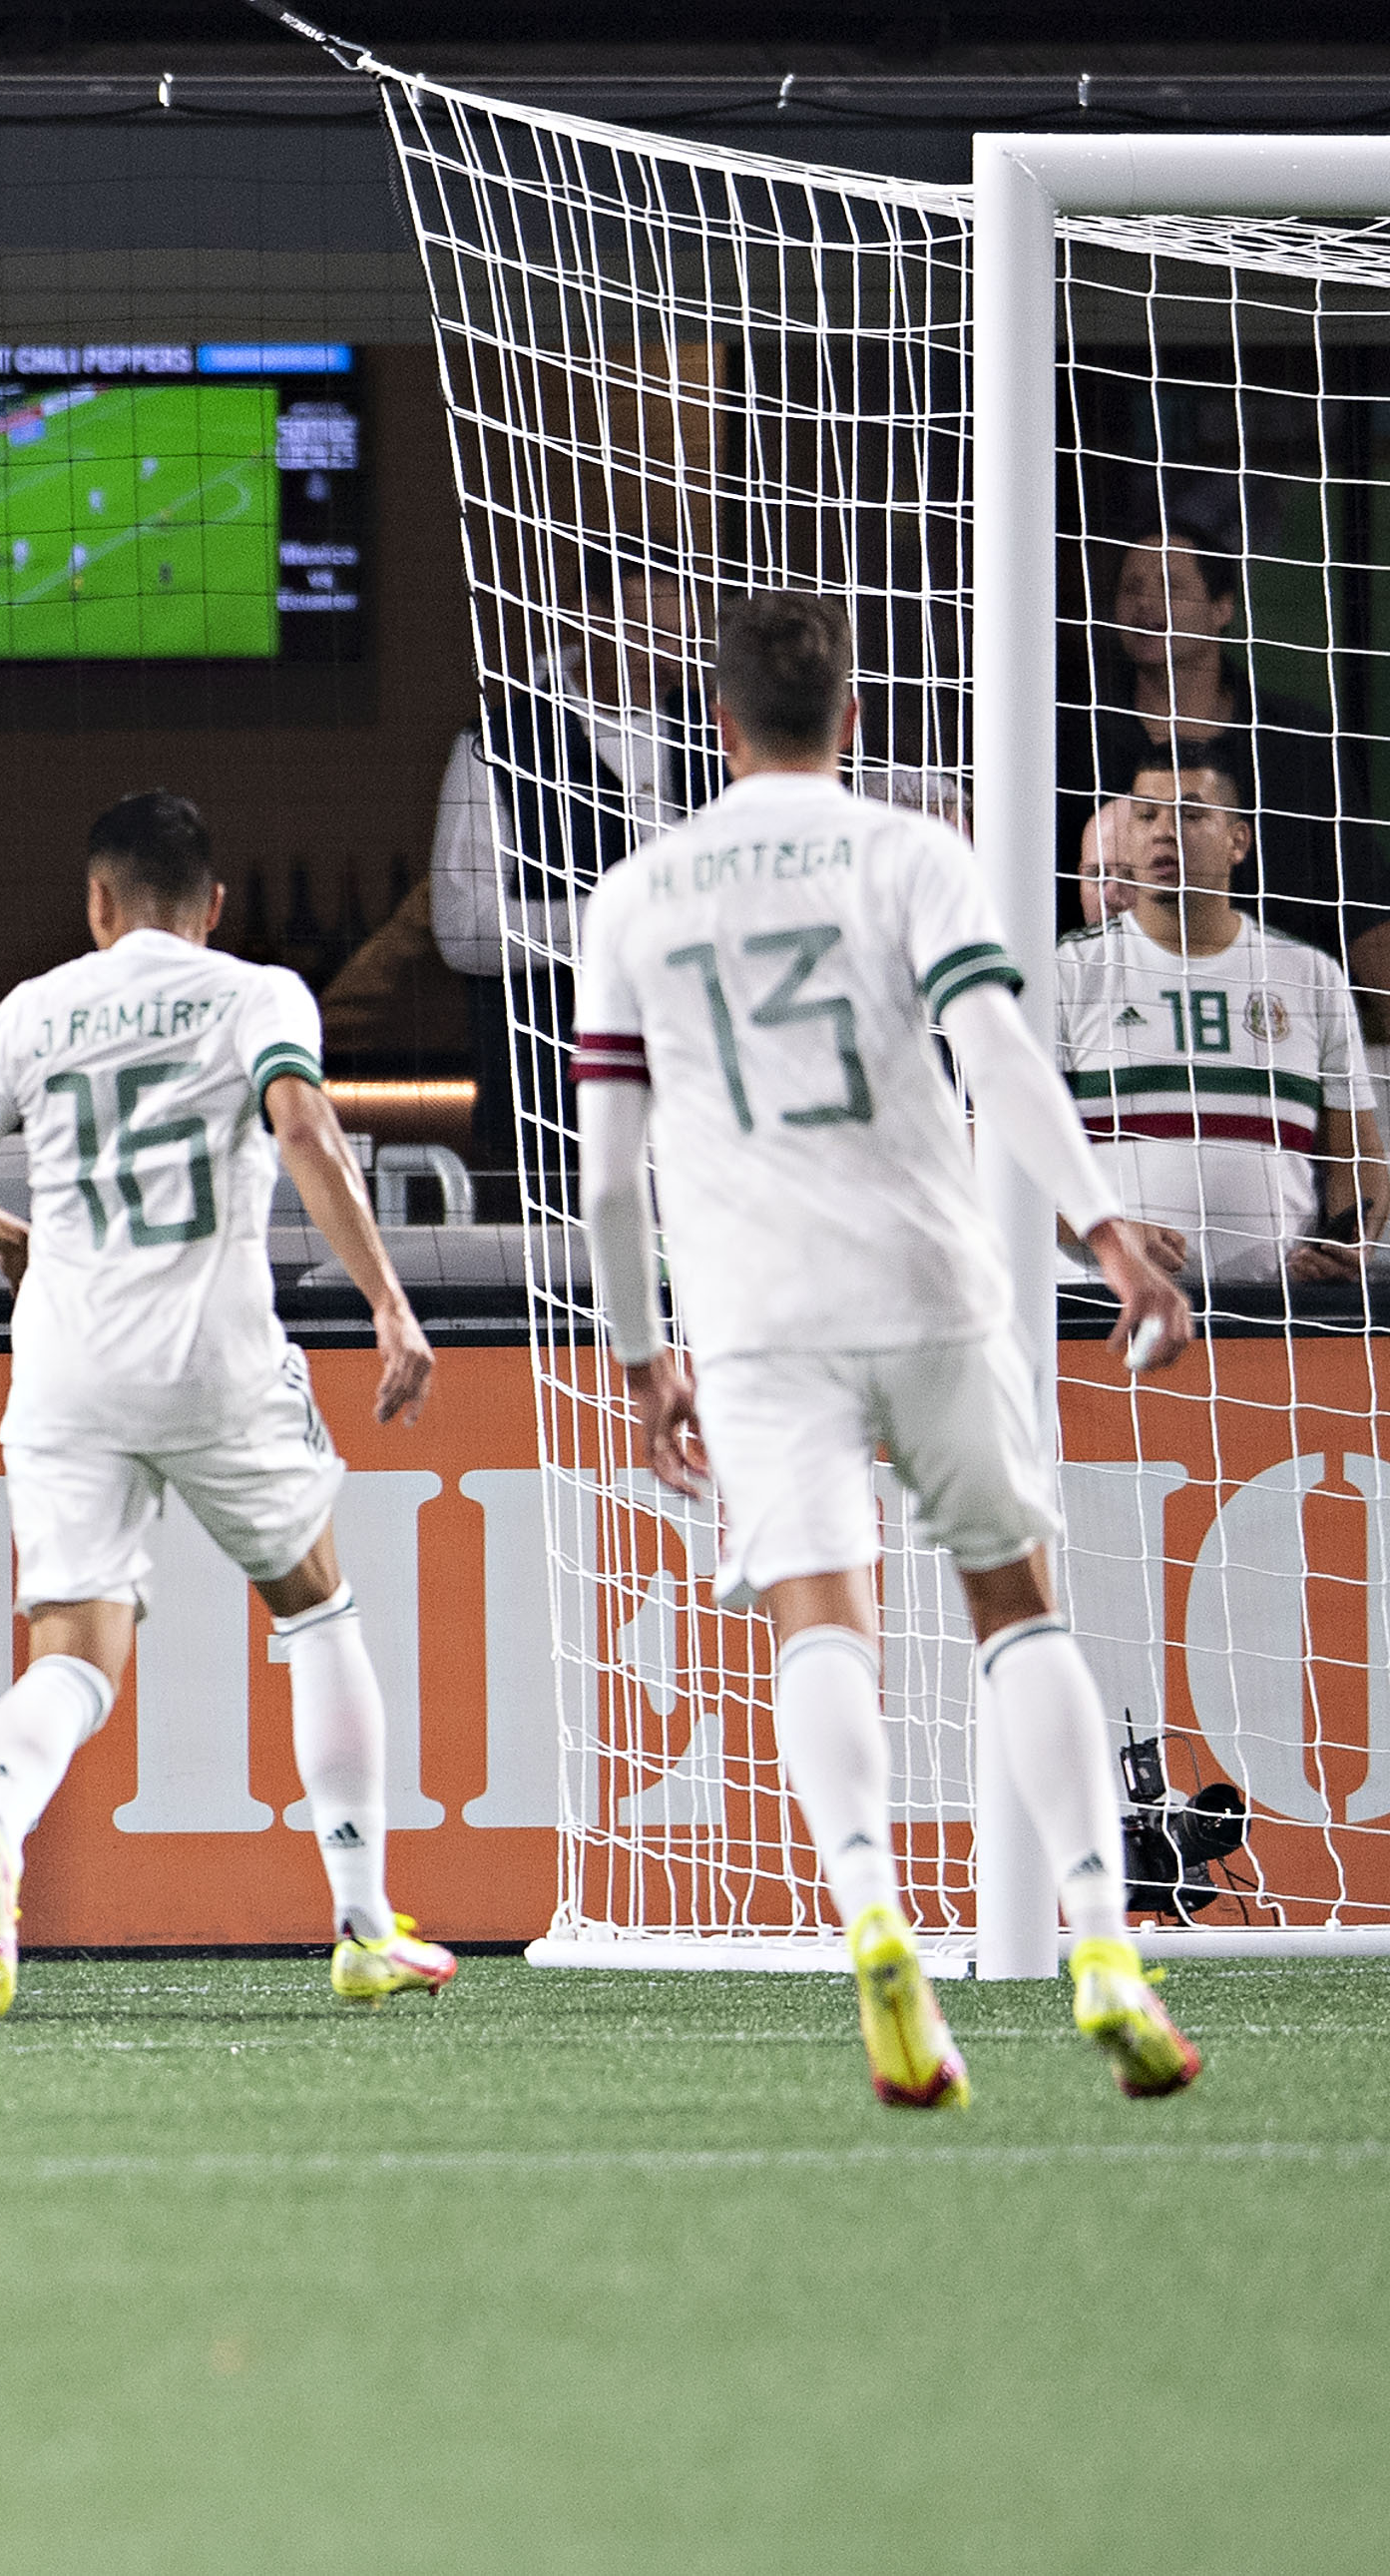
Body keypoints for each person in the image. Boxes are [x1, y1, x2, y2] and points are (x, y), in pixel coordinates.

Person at [574, 588, 1205, 2112]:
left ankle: (869, 1908)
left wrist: (638, 1351)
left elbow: (604, 1170)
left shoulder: (640, 893)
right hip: (931, 1277)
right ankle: (1103, 1939)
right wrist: (1109, 1231)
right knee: (1014, 1605)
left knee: (821, 1624)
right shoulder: (912, 851)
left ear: (716, 727)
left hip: (758, 1309)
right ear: (852, 720)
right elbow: (1000, 1055)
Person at [0, 790, 453, 2020]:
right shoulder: (256, 993)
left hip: (69, 1367)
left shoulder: (36, 1007)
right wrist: (387, 1302)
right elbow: (300, 1122)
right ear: (212, 905)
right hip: (215, 1358)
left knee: (73, 1661)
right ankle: (362, 1926)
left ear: (95, 903)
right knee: (316, 1612)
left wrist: (11, 1236)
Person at [431, 554, 717, 1219]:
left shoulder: (719, 733)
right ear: (584, 619)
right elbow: (463, 927)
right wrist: (618, 918)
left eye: (674, 636)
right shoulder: (495, 744)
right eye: (641, 629)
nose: (660, 653)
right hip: (551, 1105)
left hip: (701, 1100)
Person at [1059, 755, 1381, 1288]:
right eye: (1146, 816)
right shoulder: (1067, 971)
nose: (1164, 832)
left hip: (1274, 1314)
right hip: (1100, 1310)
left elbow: (1358, 1151)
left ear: (1238, 842)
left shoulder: (1310, 975)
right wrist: (1103, 1231)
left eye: (1188, 814)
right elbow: (995, 1154)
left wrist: (1350, 1244)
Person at [1059, 518, 1381, 1032]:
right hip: (1117, 1023)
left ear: (1222, 608)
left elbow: (1363, 907)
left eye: (1169, 586)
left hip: (1276, 1022)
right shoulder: (1070, 738)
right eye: (1131, 588)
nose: (1145, 604)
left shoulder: (1298, 740)